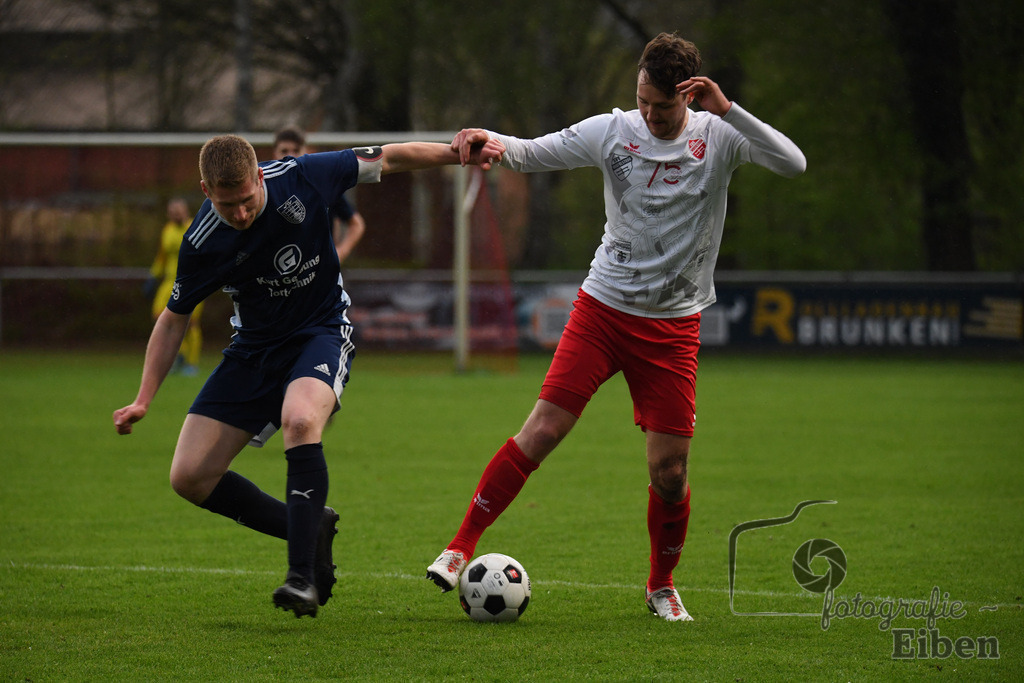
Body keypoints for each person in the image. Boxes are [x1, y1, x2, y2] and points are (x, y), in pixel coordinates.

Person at [426, 32, 806, 622]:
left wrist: (727, 109)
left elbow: (793, 162)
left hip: (674, 326)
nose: (651, 115)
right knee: (543, 429)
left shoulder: (721, 137)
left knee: (670, 472)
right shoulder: (613, 131)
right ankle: (459, 547)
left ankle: (661, 584)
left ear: (691, 95)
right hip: (602, 310)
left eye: (664, 106)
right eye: (644, 101)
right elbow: (531, 151)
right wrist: (488, 140)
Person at [114, 132, 504, 618]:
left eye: (246, 200)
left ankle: (301, 577)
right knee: (189, 477)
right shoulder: (202, 242)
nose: (239, 213)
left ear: (259, 176)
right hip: (253, 350)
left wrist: (456, 153)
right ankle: (309, 524)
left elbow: (393, 156)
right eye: (226, 204)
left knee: (300, 421)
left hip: (320, 332)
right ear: (205, 190)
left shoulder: (303, 177)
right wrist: (145, 397)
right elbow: (174, 318)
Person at [273, 127, 366, 264]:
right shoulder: (267, 189)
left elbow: (356, 224)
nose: (290, 156)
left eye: (296, 150)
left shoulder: (321, 185)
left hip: (320, 272)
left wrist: (339, 254)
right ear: (274, 153)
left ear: (306, 152)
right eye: (284, 151)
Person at [145, 198, 203, 376]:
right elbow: (161, 257)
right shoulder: (167, 230)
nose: (176, 214)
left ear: (186, 211)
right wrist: (153, 277)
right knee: (159, 316)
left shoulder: (196, 226)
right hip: (170, 280)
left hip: (193, 281)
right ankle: (179, 355)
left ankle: (191, 363)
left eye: (179, 211)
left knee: (190, 323)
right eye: (172, 211)